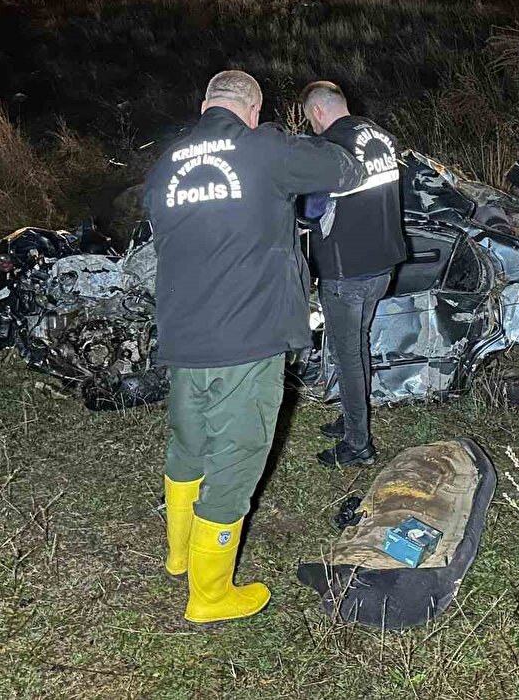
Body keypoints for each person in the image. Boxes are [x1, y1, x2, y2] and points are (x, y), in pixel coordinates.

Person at [142, 71, 363, 625]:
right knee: (235, 459)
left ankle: (178, 555)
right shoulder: (265, 148)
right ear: (254, 110)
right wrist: (297, 139)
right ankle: (210, 595)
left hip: (183, 335)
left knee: (188, 445)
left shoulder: (167, 162)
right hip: (245, 337)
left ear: (204, 106)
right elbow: (344, 169)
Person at [299, 82, 406, 468]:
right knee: (357, 345)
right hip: (383, 263)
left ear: (318, 112)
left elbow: (311, 210)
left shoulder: (331, 147)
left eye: (310, 119)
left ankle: (358, 444)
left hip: (347, 270)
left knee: (347, 355)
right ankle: (352, 417)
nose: (312, 126)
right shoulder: (380, 136)